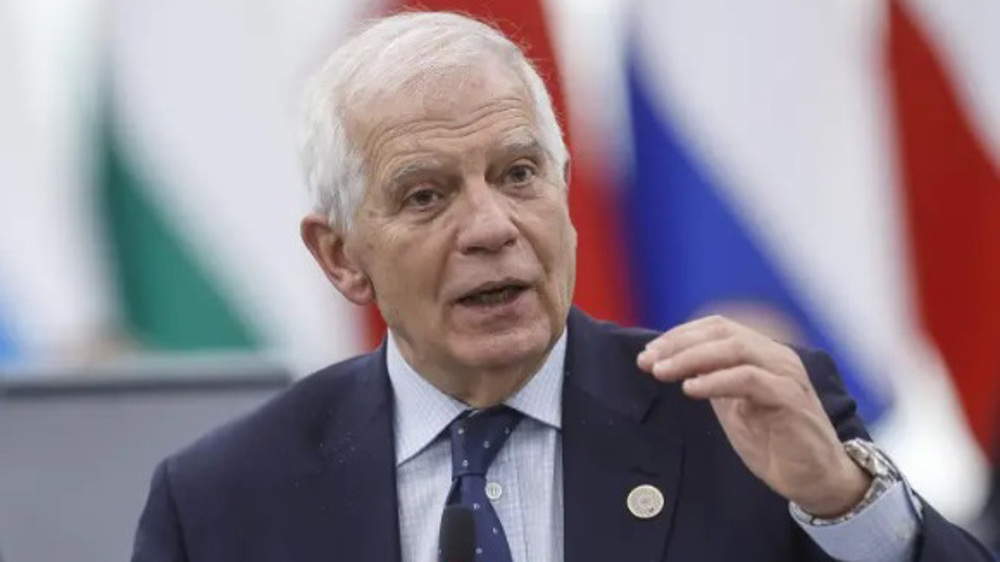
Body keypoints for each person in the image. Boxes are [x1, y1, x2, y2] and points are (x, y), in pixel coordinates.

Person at [131, 11, 991, 562]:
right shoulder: (221, 503)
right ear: (340, 256)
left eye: (518, 174)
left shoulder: (736, 421)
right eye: (426, 195)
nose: (492, 227)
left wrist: (846, 500)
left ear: (567, 193)